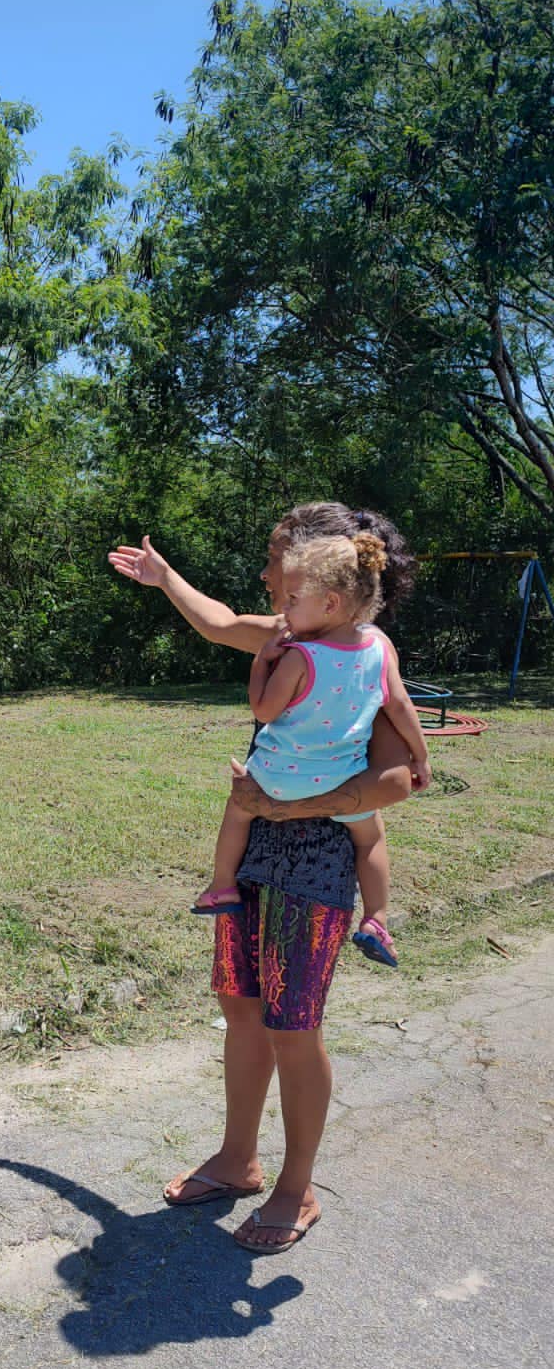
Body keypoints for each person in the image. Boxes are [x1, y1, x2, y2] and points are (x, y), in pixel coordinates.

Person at [108, 502, 418, 1253]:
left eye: (276, 565)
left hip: (313, 864)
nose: (265, 578)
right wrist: (163, 577)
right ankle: (238, 1158)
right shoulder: (289, 634)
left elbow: (399, 781)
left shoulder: (362, 656)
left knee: (294, 1027)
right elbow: (218, 623)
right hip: (254, 856)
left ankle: (295, 1185)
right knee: (240, 1006)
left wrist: (294, 807)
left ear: (326, 584)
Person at [192, 531, 431, 970]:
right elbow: (400, 706)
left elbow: (264, 710)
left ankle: (222, 884)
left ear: (330, 603)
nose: (283, 609)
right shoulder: (378, 649)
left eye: (293, 599)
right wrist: (420, 755)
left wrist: (261, 662)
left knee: (239, 807)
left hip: (277, 778)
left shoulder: (300, 657)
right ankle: (376, 917)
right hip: (343, 780)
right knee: (370, 836)